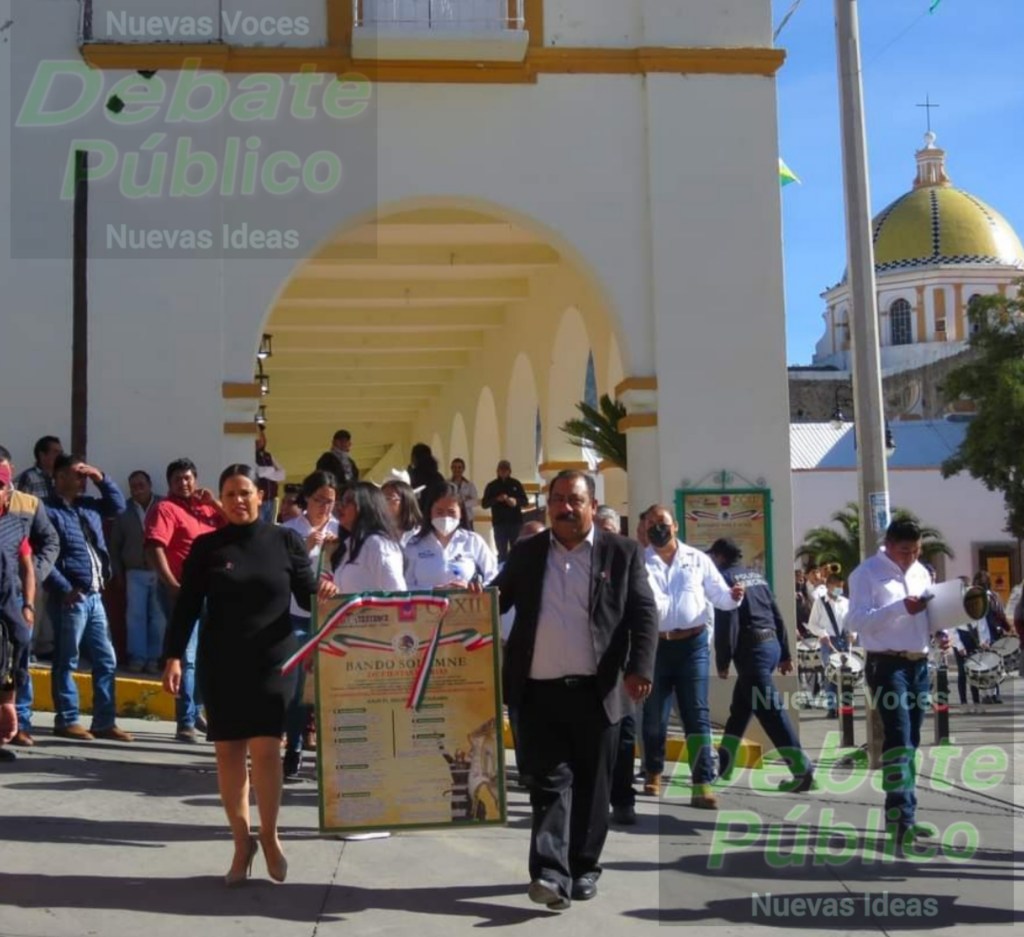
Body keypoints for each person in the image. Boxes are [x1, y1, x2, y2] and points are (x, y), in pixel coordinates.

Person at [162, 464, 338, 885]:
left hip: (273, 660)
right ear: (220, 500)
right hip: (222, 662)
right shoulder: (207, 547)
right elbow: (187, 606)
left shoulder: (285, 541)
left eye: (245, 492)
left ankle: (270, 835)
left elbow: (305, 594)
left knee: (266, 750)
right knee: (228, 754)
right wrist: (172, 656)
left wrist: (324, 590)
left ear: (261, 495)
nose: (238, 500)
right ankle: (242, 843)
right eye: (230, 494)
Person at [494, 470, 658, 910]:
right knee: (548, 783)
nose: (565, 508)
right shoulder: (527, 552)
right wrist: (468, 596)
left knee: (592, 786)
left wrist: (639, 668)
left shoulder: (621, 552)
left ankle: (583, 867)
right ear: (548, 505)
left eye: (575, 500)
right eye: (558, 500)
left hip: (597, 692)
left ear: (592, 506)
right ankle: (549, 873)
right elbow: (496, 599)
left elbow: (644, 613)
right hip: (538, 691)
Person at [847, 518, 942, 849]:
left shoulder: (921, 572)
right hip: (887, 664)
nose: (910, 558)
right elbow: (856, 621)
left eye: (916, 551)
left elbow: (928, 614)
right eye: (904, 551)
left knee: (911, 739)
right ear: (887, 544)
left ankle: (902, 814)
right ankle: (903, 819)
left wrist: (941, 629)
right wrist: (900, 608)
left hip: (919, 663)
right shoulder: (866, 573)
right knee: (899, 737)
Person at [640, 505, 742, 808]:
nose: (657, 528)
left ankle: (702, 783)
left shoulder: (697, 559)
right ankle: (653, 770)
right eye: (651, 524)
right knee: (654, 715)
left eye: (662, 522)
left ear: (675, 526)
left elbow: (720, 596)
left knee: (696, 713)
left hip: (692, 645)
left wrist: (733, 597)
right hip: (656, 647)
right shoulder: (638, 561)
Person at [710, 538, 815, 791]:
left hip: (752, 652)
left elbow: (728, 622)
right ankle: (723, 765)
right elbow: (776, 614)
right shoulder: (757, 577)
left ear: (720, 557)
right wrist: (785, 653)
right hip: (770, 646)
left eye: (713, 556)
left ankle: (802, 770)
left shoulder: (725, 579)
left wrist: (723, 660)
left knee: (771, 711)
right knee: (740, 710)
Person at [44, 455, 132, 742]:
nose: (82, 480)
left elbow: (118, 506)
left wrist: (100, 477)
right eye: (77, 474)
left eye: (84, 475)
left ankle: (104, 721)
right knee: (67, 659)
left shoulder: (88, 506)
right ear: (59, 477)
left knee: (106, 659)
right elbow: (43, 555)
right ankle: (67, 719)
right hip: (71, 596)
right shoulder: (47, 509)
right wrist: (64, 588)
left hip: (94, 594)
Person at [145, 458, 227, 742]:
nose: (184, 483)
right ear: (170, 483)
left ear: (196, 479)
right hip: (182, 591)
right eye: (178, 479)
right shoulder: (165, 509)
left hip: (212, 592)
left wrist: (214, 503)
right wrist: (171, 584)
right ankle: (185, 721)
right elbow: (155, 547)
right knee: (186, 657)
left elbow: (238, 527)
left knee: (209, 656)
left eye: (188, 478)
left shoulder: (207, 509)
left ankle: (197, 711)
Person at [281, 471, 339, 779]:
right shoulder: (290, 530)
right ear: (307, 498)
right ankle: (294, 747)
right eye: (319, 500)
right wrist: (304, 546)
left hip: (332, 616)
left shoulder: (340, 530)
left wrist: (336, 550)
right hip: (297, 615)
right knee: (299, 688)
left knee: (328, 687)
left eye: (330, 502)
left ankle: (329, 754)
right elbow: (279, 569)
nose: (324, 508)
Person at [0, 449, 59, 749]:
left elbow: (40, 550)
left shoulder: (24, 511)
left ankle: (15, 722)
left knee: (19, 646)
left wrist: (28, 599)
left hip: (11, 598)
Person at [109, 470, 166, 674]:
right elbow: (115, 545)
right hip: (134, 572)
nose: (138, 490)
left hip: (160, 571)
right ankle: (137, 657)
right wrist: (118, 572)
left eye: (141, 485)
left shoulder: (164, 506)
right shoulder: (123, 510)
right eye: (134, 486)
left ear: (150, 485)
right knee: (135, 616)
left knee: (158, 617)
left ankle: (154, 659)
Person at [404, 483, 498, 590]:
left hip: (466, 600)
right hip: (425, 601)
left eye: (451, 512)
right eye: (439, 512)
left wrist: (474, 589)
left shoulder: (472, 541)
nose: (445, 517)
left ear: (461, 513)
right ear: (430, 512)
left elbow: (494, 577)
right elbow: (404, 585)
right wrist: (432, 590)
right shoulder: (414, 544)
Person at [331, 482, 407, 593]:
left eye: (348, 501)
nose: (341, 506)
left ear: (366, 506)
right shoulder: (349, 544)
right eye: (341, 501)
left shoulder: (378, 544)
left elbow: (396, 592)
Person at [806, 571, 854, 718]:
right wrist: (822, 634)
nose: (839, 590)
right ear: (828, 586)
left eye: (841, 587)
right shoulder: (820, 603)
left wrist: (853, 634)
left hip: (844, 640)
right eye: (837, 587)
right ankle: (832, 707)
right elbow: (812, 624)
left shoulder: (846, 602)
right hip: (829, 641)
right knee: (830, 674)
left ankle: (846, 706)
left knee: (847, 674)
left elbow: (852, 621)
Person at [482, 460, 529, 562]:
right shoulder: (492, 485)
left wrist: (515, 501)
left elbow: (525, 502)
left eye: (506, 469)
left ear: (510, 471)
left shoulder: (516, 484)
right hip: (499, 523)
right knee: (501, 551)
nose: (503, 471)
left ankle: (516, 570)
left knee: (517, 550)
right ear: (497, 471)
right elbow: (484, 504)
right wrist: (496, 499)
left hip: (515, 523)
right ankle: (502, 570)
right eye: (501, 469)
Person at [254, 428, 286, 524]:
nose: (260, 441)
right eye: (258, 439)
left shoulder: (268, 455)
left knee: (271, 526)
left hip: (272, 500)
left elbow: (282, 474)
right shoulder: (250, 456)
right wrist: (272, 470)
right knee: (260, 526)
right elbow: (258, 471)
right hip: (260, 501)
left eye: (262, 438)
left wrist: (268, 472)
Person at [381, 478, 422, 547]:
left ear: (405, 502)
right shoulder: (377, 532)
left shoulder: (419, 533)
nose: (383, 502)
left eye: (388, 498)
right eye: (380, 498)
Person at [406, 444, 446, 513]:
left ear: (414, 457)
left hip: (418, 514)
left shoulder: (412, 476)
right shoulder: (438, 477)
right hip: (436, 513)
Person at [449, 458, 480, 531]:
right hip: (452, 518)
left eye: (459, 467)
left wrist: (463, 504)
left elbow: (475, 501)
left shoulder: (470, 485)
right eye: (454, 467)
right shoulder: (447, 484)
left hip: (467, 519)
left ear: (463, 469)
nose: (457, 470)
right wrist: (465, 498)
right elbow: (445, 499)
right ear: (451, 468)